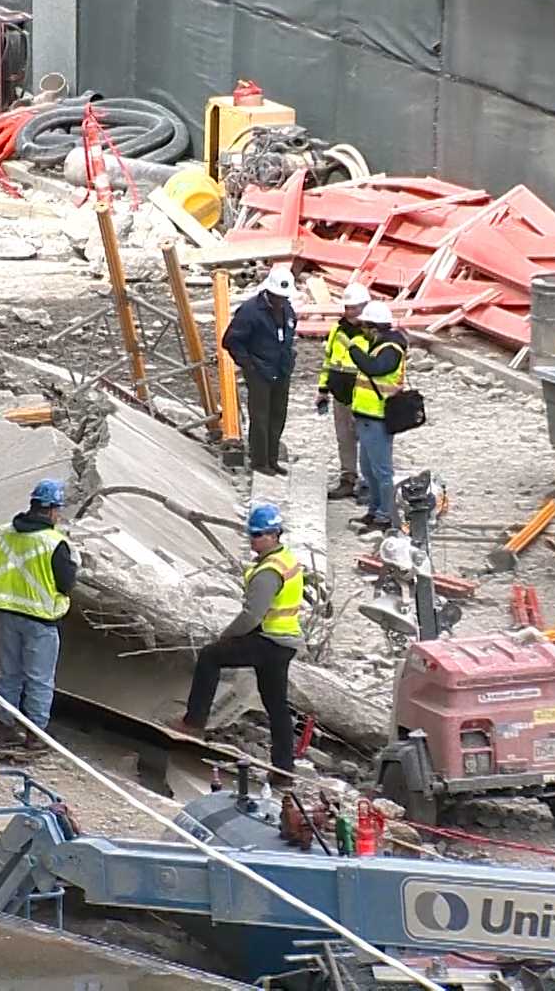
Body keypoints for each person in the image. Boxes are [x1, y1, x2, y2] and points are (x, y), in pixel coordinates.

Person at [171, 503, 304, 780]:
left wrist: (228, 635)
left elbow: (251, 615)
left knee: (211, 655)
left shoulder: (269, 572)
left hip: (268, 640)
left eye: (257, 536)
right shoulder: (285, 559)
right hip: (284, 643)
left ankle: (194, 722)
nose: (253, 540)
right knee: (276, 703)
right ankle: (283, 770)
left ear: (273, 535)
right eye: (251, 535)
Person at [0, 479, 79, 748]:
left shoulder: (2, 533)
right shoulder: (54, 542)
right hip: (41, 621)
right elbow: (66, 583)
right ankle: (36, 734)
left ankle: (4, 730)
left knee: (9, 674)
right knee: (39, 680)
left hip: (8, 615)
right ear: (53, 510)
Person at [222, 265, 299, 476]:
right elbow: (231, 340)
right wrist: (248, 364)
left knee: (278, 415)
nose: (280, 301)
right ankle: (259, 461)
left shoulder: (287, 310)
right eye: (277, 297)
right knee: (260, 416)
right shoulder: (250, 311)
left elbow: (288, 335)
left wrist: (288, 360)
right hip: (259, 370)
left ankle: (272, 459)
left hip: (281, 369)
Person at [348, 300, 409, 531]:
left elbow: (374, 368)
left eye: (365, 327)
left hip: (378, 417)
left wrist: (353, 349)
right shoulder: (380, 346)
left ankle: (385, 515)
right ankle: (374, 510)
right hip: (366, 415)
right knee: (367, 468)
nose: (363, 332)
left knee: (381, 470)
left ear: (375, 328)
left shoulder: (391, 350)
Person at [316, 281, 371, 501]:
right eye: (348, 308)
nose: (350, 312)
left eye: (355, 307)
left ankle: (368, 483)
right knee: (345, 439)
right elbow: (329, 361)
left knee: (367, 440)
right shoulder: (337, 331)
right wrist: (323, 389)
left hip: (365, 396)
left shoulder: (371, 334)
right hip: (340, 394)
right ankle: (348, 479)